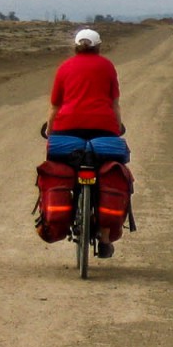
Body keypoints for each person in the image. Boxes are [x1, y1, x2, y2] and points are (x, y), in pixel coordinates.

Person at [47, 28, 125, 256]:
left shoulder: (64, 67)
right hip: (104, 129)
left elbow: (55, 107)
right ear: (99, 46)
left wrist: (51, 132)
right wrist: (117, 129)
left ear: (75, 46)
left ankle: (62, 215)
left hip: (67, 129)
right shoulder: (107, 66)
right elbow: (114, 104)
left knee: (64, 171)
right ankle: (105, 235)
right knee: (107, 174)